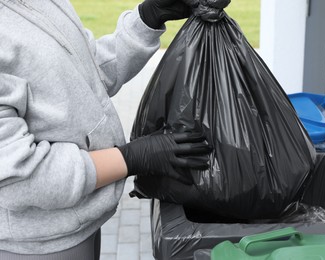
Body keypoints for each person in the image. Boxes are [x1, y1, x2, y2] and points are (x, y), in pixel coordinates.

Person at [0, 0, 211, 259]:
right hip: (38, 244)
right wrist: (129, 158)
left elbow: (88, 74)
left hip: (82, 220)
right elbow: (18, 177)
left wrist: (148, 18)